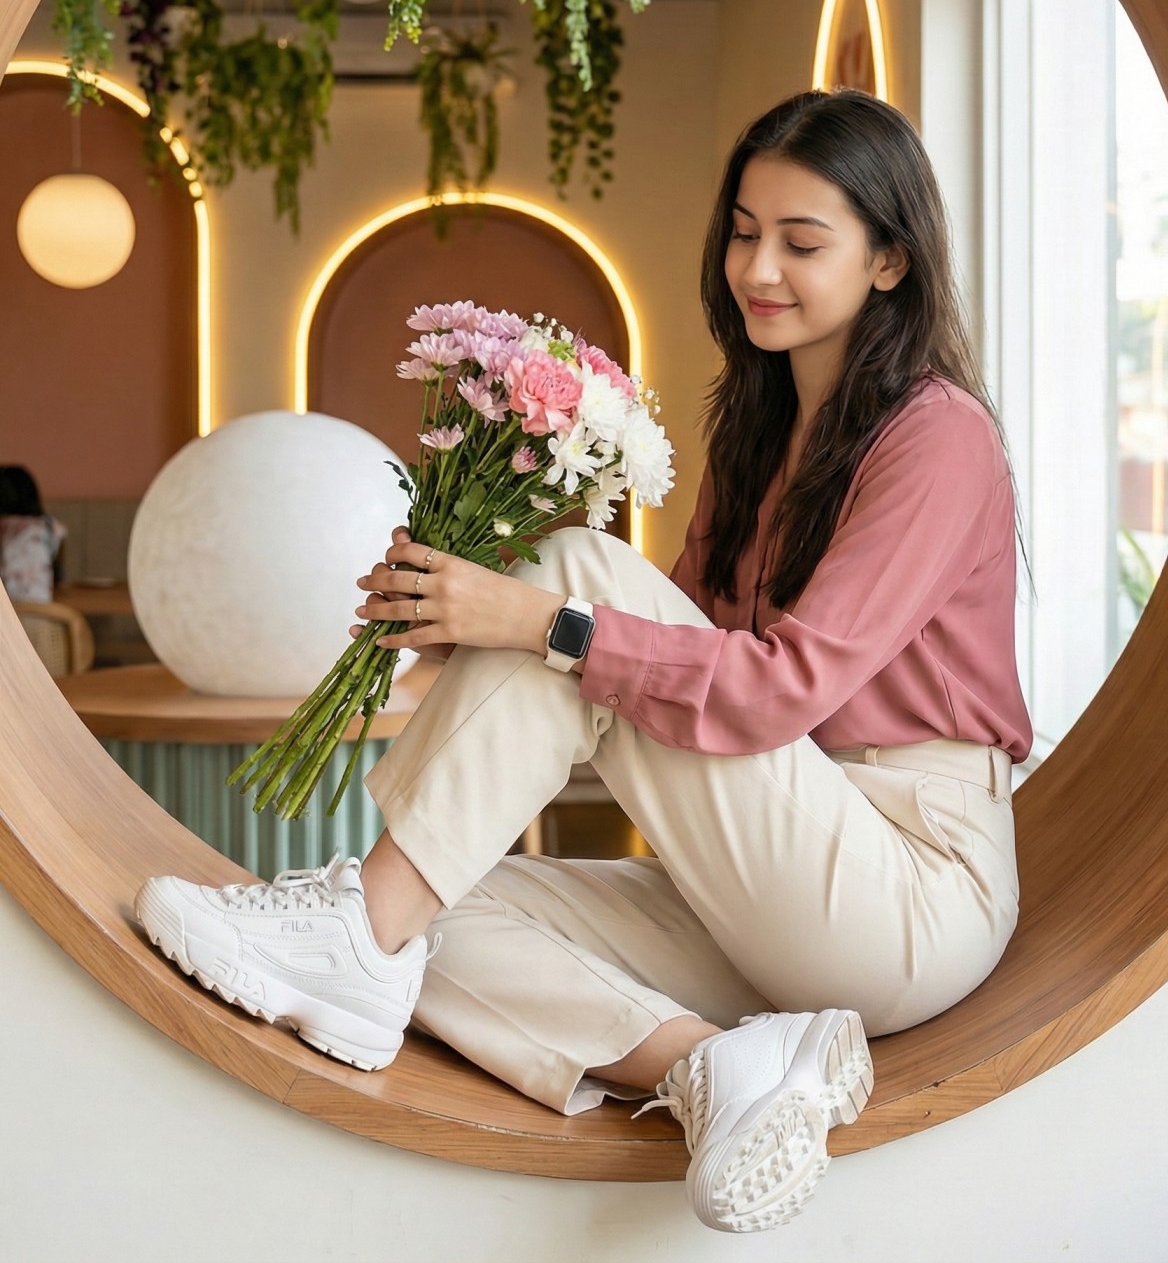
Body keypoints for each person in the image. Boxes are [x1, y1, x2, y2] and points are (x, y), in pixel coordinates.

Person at [136, 89, 1033, 1234]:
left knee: (577, 577)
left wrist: (533, 619)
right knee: (437, 914)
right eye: (745, 230)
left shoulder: (938, 434)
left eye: (803, 243)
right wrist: (479, 618)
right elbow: (654, 688)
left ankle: (352, 930)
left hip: (908, 883)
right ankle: (715, 1068)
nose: (759, 266)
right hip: (770, 879)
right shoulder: (757, 435)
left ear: (892, 262)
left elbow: (771, 691)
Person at [0, 465, 66, 604]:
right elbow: (58, 574)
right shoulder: (50, 527)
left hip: (8, 617)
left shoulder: (5, 528)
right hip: (45, 615)